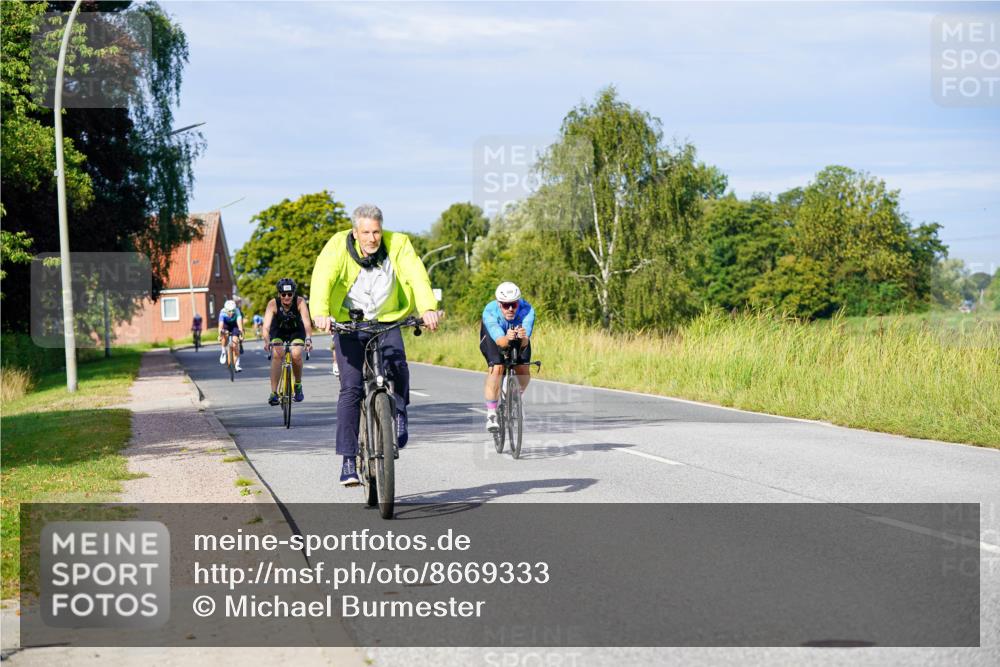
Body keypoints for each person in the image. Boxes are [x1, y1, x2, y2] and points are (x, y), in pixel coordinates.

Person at [310, 204, 440, 486]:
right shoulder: (336, 247)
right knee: (351, 389)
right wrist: (320, 312)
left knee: (398, 366)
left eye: (376, 232)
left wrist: (427, 307)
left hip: (386, 319)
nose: (372, 238)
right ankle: (348, 460)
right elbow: (323, 278)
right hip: (348, 324)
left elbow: (416, 275)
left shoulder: (399, 244)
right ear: (355, 233)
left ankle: (401, 411)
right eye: (366, 232)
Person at [480, 281, 535, 432]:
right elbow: (501, 342)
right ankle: (491, 415)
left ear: (518, 303)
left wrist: (522, 338)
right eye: (505, 305)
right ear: (499, 304)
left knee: (523, 369)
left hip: (517, 335)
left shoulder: (527, 310)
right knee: (497, 368)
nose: (510, 309)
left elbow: (525, 342)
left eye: (513, 304)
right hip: (495, 337)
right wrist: (508, 338)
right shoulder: (489, 312)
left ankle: (515, 397)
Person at [262, 278, 314, 405]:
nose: (286, 297)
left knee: (296, 354)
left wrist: (308, 338)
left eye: (290, 294)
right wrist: (267, 340)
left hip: (296, 330)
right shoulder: (273, 304)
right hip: (278, 330)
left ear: (293, 294)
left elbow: (307, 323)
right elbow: (266, 326)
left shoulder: (300, 302)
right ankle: (274, 393)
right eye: (283, 294)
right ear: (279, 294)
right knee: (277, 354)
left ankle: (298, 385)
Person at [217, 299, 244, 372]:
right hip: (226, 325)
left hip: (234, 326)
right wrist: (220, 334)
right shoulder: (222, 312)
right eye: (229, 311)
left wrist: (241, 334)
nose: (231, 312)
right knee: (224, 334)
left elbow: (239, 325)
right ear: (226, 310)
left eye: (233, 311)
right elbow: (220, 326)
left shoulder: (237, 311)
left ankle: (237, 364)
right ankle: (223, 351)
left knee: (235, 344)